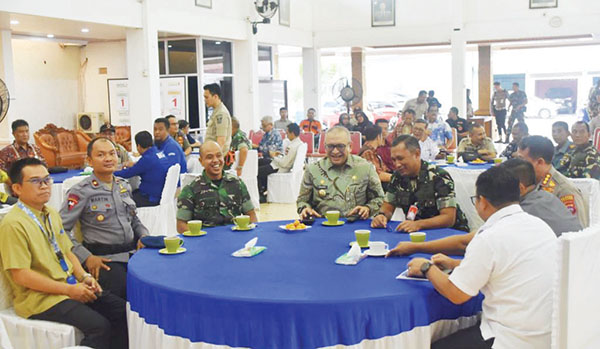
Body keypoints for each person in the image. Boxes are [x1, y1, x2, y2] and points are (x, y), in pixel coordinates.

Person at [405, 165, 556, 349]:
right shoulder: (539, 225)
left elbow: (456, 294)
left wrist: (426, 268)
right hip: (549, 335)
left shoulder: (489, 237)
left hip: (509, 338)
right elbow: (510, 267)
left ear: (482, 201)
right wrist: (456, 264)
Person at [0, 158, 127, 349]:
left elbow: (67, 251)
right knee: (99, 326)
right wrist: (69, 290)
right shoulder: (13, 224)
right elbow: (21, 275)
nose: (44, 186)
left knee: (120, 310)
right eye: (35, 181)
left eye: (46, 180)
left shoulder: (50, 213)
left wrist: (83, 276)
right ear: (17, 188)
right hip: (40, 298)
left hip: (68, 286)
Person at [60, 138, 148, 301]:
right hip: (104, 260)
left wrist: (143, 235)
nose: (108, 159)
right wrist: (86, 257)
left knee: (154, 283)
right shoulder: (80, 192)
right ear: (90, 160)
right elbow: (60, 231)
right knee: (126, 294)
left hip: (133, 254)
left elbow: (134, 220)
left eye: (112, 153)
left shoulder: (124, 185)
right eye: (101, 155)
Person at [371, 135, 469, 233]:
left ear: (417, 154)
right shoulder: (397, 177)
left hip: (450, 233)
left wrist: (418, 224)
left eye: (400, 158)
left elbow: (448, 219)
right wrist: (381, 217)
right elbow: (387, 208)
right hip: (416, 232)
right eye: (393, 160)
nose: (397, 164)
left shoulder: (438, 176)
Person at [297, 126, 384, 220]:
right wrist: (305, 209)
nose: (335, 151)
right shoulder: (313, 169)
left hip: (356, 226)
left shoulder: (365, 168)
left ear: (350, 146)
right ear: (325, 147)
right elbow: (302, 200)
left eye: (340, 146)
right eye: (330, 146)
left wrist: (368, 208)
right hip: (322, 226)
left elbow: (380, 198)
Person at [176, 141, 257, 231]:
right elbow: (181, 224)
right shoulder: (191, 189)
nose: (215, 160)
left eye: (219, 155)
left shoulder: (237, 183)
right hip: (205, 240)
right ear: (201, 161)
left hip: (235, 237)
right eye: (209, 157)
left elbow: (251, 214)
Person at [516, 135, 589, 228]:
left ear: (540, 162)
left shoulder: (564, 190)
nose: (517, 164)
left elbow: (577, 232)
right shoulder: (528, 181)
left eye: (522, 160)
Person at [114, 131, 171, 207]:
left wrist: (110, 172)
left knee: (123, 199)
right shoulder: (159, 153)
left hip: (150, 198)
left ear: (138, 146)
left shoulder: (146, 159)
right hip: (162, 194)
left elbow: (128, 173)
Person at [257, 123, 303, 201]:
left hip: (280, 167)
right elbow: (286, 158)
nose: (286, 135)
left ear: (292, 133)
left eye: (287, 133)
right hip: (279, 164)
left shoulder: (292, 146)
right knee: (260, 161)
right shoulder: (297, 143)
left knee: (258, 171)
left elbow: (284, 163)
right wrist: (279, 155)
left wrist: (273, 156)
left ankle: (261, 193)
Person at [204, 83, 232, 153]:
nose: (205, 100)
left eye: (207, 97)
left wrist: (215, 158)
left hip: (216, 157)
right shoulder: (216, 111)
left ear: (215, 97)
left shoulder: (221, 114)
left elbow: (221, 140)